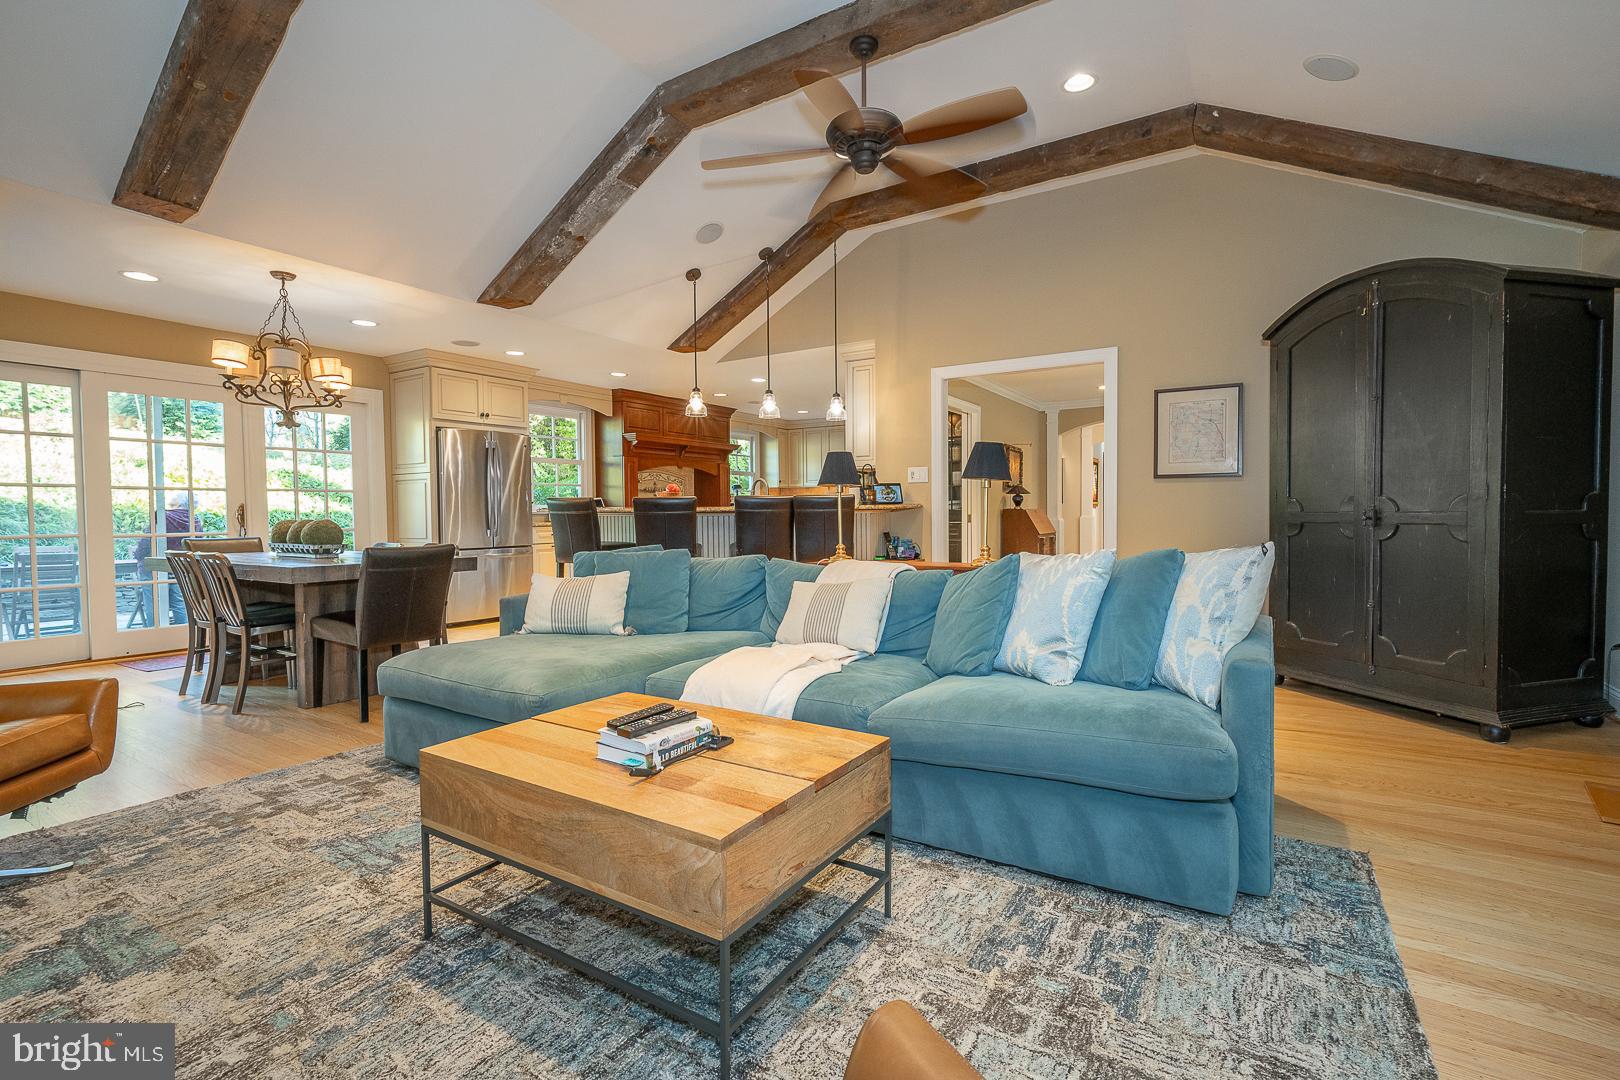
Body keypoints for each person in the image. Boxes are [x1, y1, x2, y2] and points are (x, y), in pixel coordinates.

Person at [132, 493, 192, 626]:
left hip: (154, 566)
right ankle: (184, 633)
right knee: (179, 603)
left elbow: (146, 542)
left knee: (153, 603)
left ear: (178, 504)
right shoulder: (195, 519)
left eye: (172, 503)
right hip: (180, 566)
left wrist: (137, 554)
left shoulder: (163, 516)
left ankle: (153, 634)